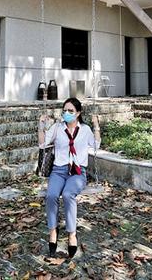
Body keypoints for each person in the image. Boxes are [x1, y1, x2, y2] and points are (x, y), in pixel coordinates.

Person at [37, 97, 100, 258]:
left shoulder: (85, 129)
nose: (67, 113)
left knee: (67, 194)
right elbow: (42, 145)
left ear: (78, 113)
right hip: (58, 170)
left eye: (70, 111)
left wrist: (96, 125)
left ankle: (72, 234)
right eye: (64, 110)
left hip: (77, 172)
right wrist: (41, 126)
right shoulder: (57, 128)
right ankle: (53, 231)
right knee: (51, 195)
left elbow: (96, 145)